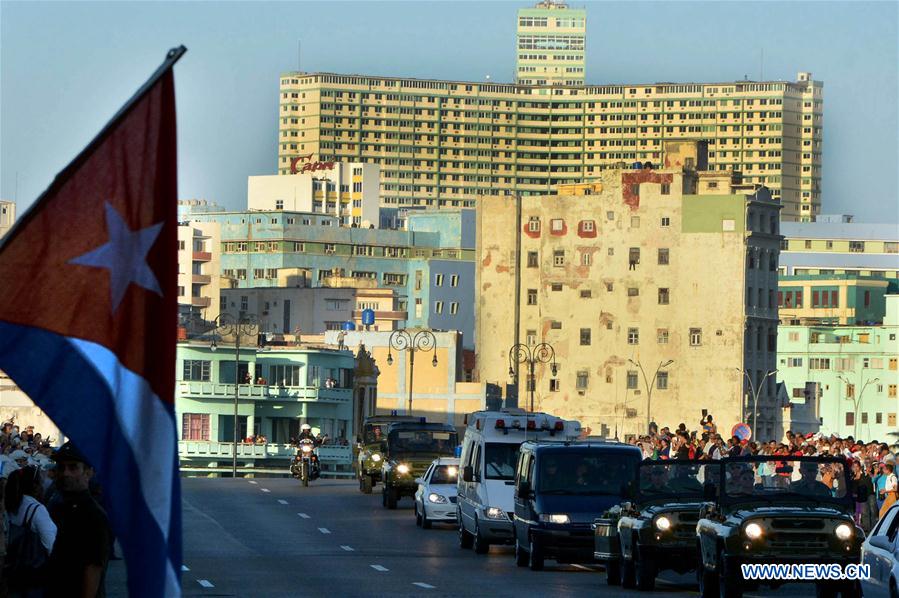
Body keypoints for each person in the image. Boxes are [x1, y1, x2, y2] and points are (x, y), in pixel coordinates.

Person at [46, 442, 110, 598]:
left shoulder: (93, 515)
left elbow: (92, 569)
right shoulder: (58, 506)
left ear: (88, 473)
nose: (65, 473)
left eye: (73, 467)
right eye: (61, 467)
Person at [5, 465, 57, 596]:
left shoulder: (10, 503)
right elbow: (51, 545)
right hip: (33, 576)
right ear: (35, 486)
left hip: (12, 571)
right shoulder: (36, 509)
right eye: (40, 481)